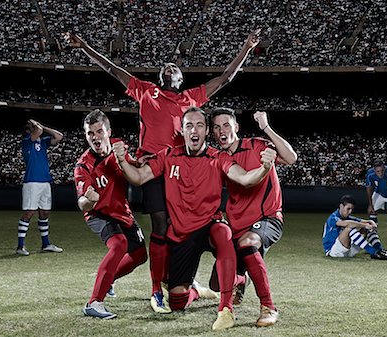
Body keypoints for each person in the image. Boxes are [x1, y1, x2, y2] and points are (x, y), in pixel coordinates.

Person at [63, 29, 261, 313]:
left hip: (182, 170)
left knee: (184, 228)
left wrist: (246, 46)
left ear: (181, 80)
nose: (170, 67)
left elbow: (226, 78)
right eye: (165, 68)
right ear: (160, 78)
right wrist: (84, 46)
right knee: (159, 225)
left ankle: (193, 278)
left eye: (176, 68)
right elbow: (111, 68)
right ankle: (157, 290)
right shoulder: (145, 90)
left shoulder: (191, 100)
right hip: (153, 168)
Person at [113, 107, 277, 330]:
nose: (194, 129)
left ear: (206, 130)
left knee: (223, 232)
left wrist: (265, 168)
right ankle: (204, 289)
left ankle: (226, 309)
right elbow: (139, 177)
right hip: (182, 233)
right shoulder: (169, 156)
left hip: (210, 225)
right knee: (177, 301)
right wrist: (122, 160)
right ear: (182, 130)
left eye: (199, 125)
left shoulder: (218, 157)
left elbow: (246, 179)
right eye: (189, 125)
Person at [209, 108, 297, 327]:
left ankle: (268, 307)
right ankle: (242, 278)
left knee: (248, 242)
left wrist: (266, 128)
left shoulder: (256, 145)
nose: (222, 131)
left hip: (267, 218)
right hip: (236, 225)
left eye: (227, 125)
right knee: (217, 283)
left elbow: (291, 157)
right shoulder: (220, 159)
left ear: (236, 127)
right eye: (217, 127)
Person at [74, 110, 148, 319]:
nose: (95, 137)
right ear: (86, 136)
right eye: (90, 134)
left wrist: (138, 161)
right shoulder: (83, 166)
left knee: (140, 255)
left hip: (122, 211)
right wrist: (90, 199)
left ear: (108, 131)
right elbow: (82, 204)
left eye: (99, 131)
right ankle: (94, 303)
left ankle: (109, 280)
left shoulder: (119, 146)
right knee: (119, 244)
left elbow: (133, 166)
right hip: (99, 214)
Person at [16, 119, 64, 256]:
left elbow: (59, 136)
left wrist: (42, 126)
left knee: (44, 213)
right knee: (29, 212)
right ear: (27, 130)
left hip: (45, 181)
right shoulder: (26, 141)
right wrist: (39, 127)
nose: (35, 128)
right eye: (32, 127)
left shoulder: (42, 142)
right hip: (32, 182)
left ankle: (46, 244)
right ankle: (20, 246)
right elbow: (38, 131)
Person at [322, 195, 387, 260]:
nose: (350, 212)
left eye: (351, 209)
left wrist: (370, 222)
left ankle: (379, 250)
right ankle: (373, 252)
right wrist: (365, 225)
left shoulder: (346, 217)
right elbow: (349, 224)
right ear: (341, 206)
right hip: (334, 251)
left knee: (365, 228)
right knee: (349, 228)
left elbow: (363, 221)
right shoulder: (333, 218)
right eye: (348, 209)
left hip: (347, 250)